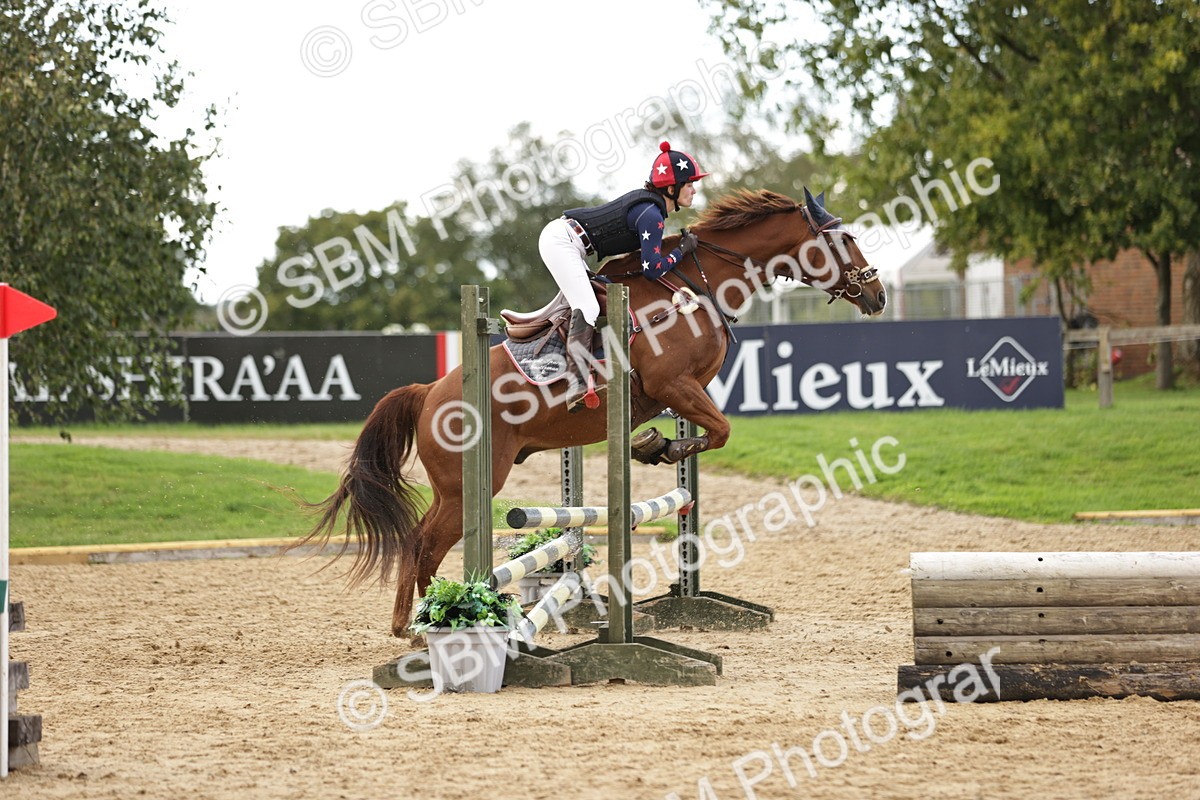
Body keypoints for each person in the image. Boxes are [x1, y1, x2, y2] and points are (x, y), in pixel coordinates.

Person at [538, 141, 709, 411]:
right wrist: (682, 250)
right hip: (562, 241)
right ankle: (576, 383)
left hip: (571, 243)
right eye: (690, 183)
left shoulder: (651, 208)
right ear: (671, 187)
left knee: (598, 300)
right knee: (589, 306)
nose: (694, 189)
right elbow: (652, 270)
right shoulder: (652, 215)